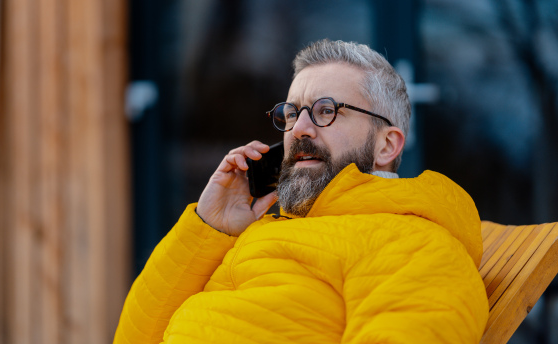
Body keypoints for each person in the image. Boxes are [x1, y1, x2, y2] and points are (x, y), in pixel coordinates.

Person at [113, 39, 489, 344]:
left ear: (387, 145)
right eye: (292, 114)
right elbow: (134, 336)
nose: (299, 130)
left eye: (326, 110)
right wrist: (208, 228)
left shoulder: (411, 240)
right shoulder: (265, 227)